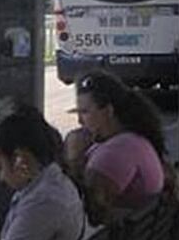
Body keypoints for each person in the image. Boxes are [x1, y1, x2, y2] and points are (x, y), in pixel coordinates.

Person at [0, 106, 86, 240]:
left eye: (0, 167)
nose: (1, 177)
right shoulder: (55, 183)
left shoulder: (42, 202)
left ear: (20, 159)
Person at [63, 70, 171, 224]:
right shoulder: (133, 140)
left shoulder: (116, 153)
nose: (80, 121)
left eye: (85, 112)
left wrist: (74, 159)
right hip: (139, 233)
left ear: (108, 111)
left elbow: (90, 212)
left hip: (115, 236)